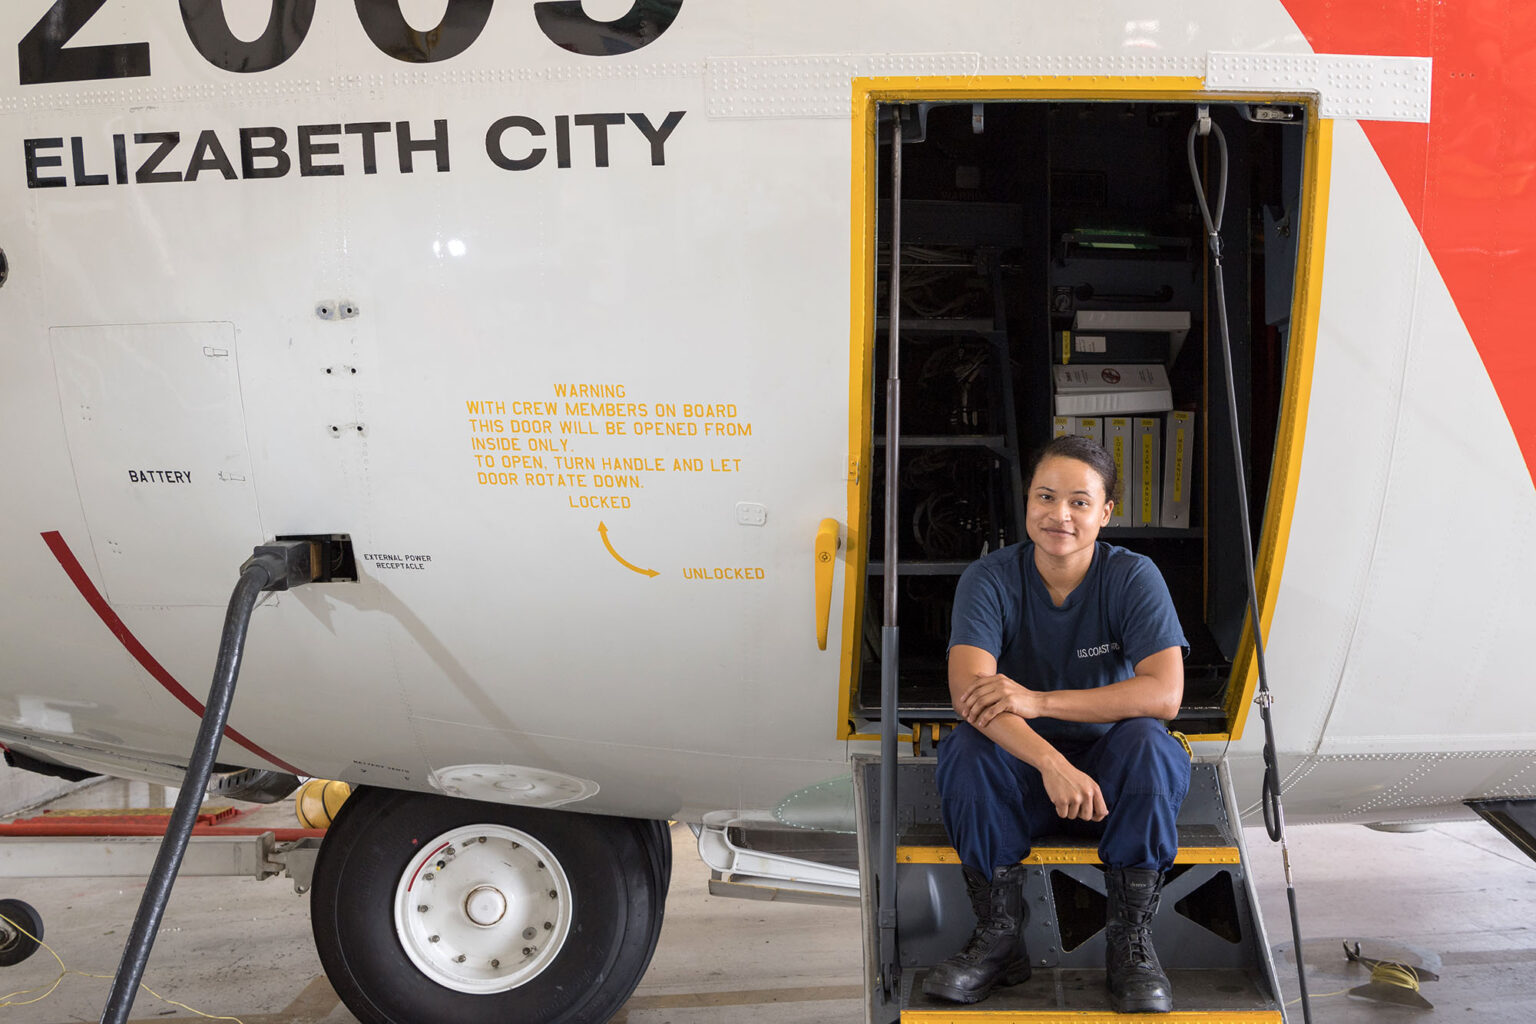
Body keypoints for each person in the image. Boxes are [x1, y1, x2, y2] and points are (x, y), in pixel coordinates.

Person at [921, 434, 1191, 1013]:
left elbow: (1165, 694)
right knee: (967, 746)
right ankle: (998, 939)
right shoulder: (989, 578)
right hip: (1026, 778)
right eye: (1045, 497)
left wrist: (1039, 703)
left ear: (1105, 513)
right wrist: (1051, 761)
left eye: (1079, 502)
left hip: (1109, 788)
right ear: (1027, 504)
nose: (1059, 515)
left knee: (1150, 741)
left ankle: (1131, 945)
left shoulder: (1132, 576)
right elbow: (971, 693)